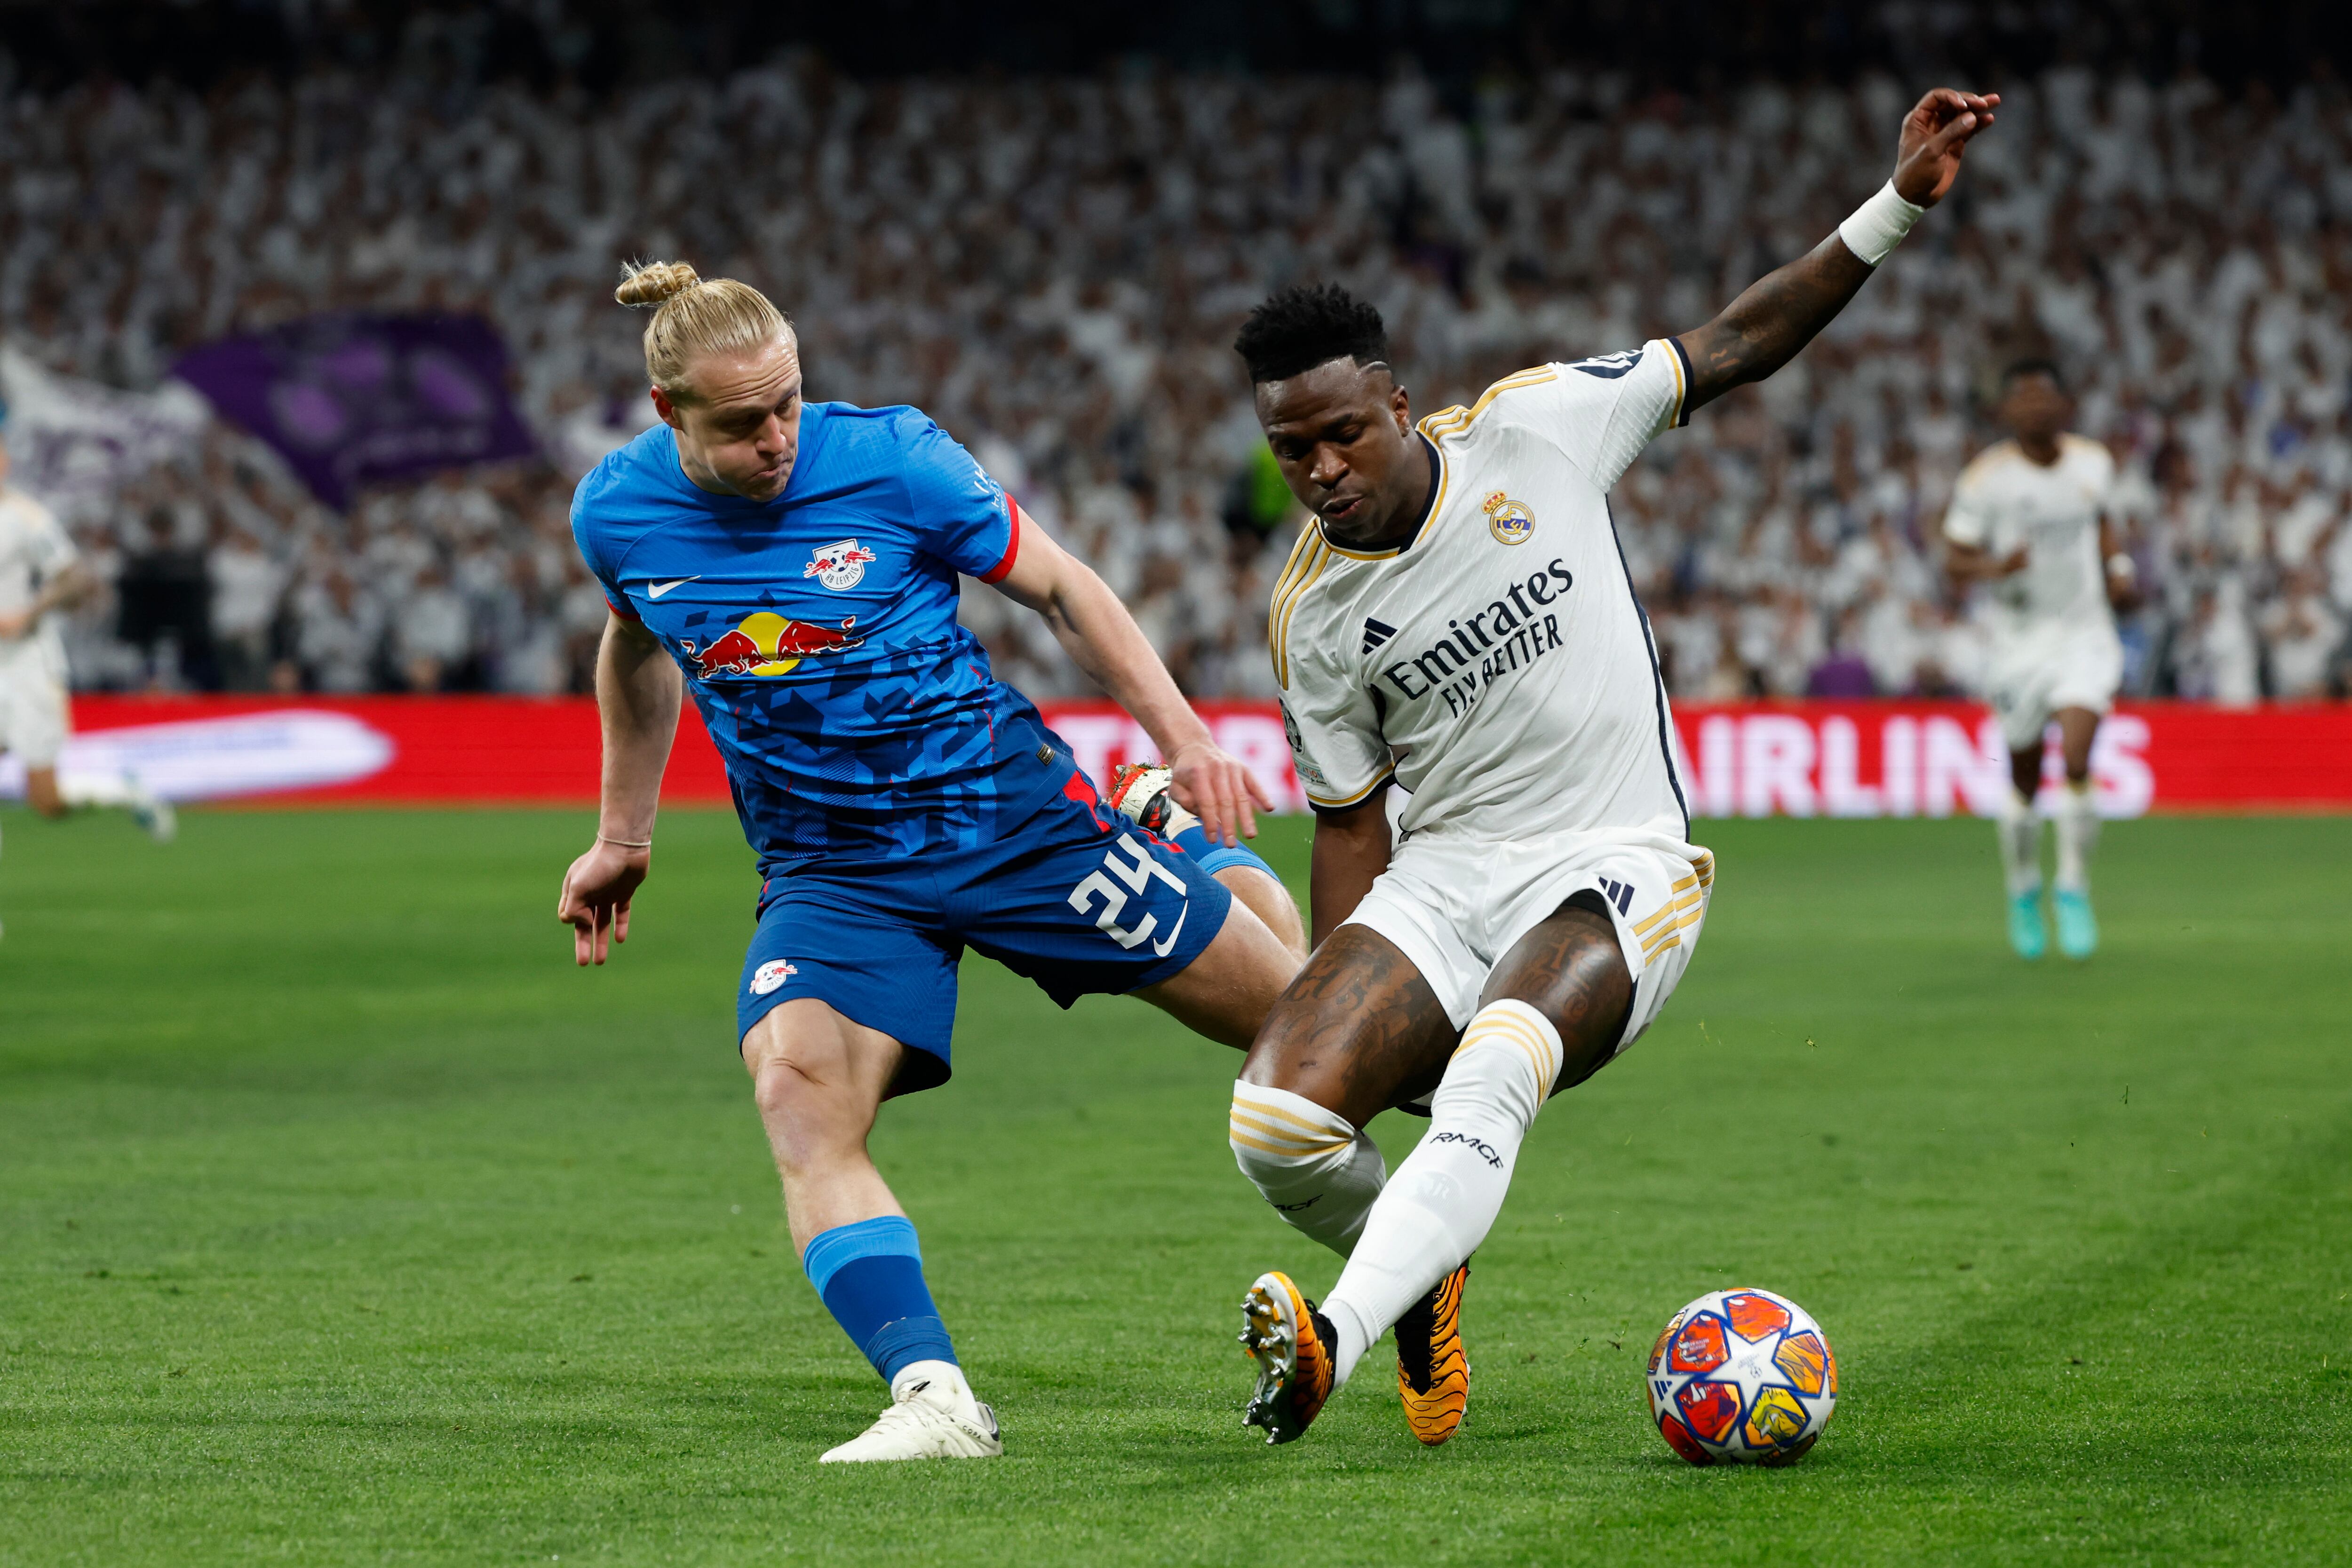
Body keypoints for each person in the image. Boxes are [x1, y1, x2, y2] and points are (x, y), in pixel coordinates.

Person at [1222, 87, 1999, 1449]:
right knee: (1276, 1125)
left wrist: (1895, 205)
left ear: (1401, 403)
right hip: (1445, 877)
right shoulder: (1313, 615)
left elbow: (1739, 341)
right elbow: (1349, 826)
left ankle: (1332, 1337)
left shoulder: (1537, 427)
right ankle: (1423, 1266)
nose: (1325, 468)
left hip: (1615, 860)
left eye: (1346, 432)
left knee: (1493, 1074)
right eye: (1294, 451)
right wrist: (1352, 1005)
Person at [558, 261, 1307, 1463]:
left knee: (1311, 1036)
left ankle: (1188, 844)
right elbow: (636, 642)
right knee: (796, 1095)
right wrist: (623, 834)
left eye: (788, 403)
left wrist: (1186, 739)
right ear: (667, 414)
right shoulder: (617, 513)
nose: (777, 439)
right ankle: (933, 1396)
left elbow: (1062, 588)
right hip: (833, 874)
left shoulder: (894, 459)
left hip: (1011, 824)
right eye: (742, 423)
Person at [1943, 360, 2134, 961]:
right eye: (2022, 399)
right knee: (2024, 779)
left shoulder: (2092, 462)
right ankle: (2023, 887)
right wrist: (1996, 568)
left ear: (2063, 405)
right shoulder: (1985, 480)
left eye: (2043, 397)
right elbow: (1954, 559)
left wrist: (2118, 568)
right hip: (2018, 643)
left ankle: (2072, 886)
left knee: (2075, 758)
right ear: (2006, 412)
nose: (2035, 407)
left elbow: (2102, 523)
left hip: (2084, 631)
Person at [0, 441, 175, 875]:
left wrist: (28, 612)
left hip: (26, 665)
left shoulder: (27, 518)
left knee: (47, 802)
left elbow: (75, 579)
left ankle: (121, 790)